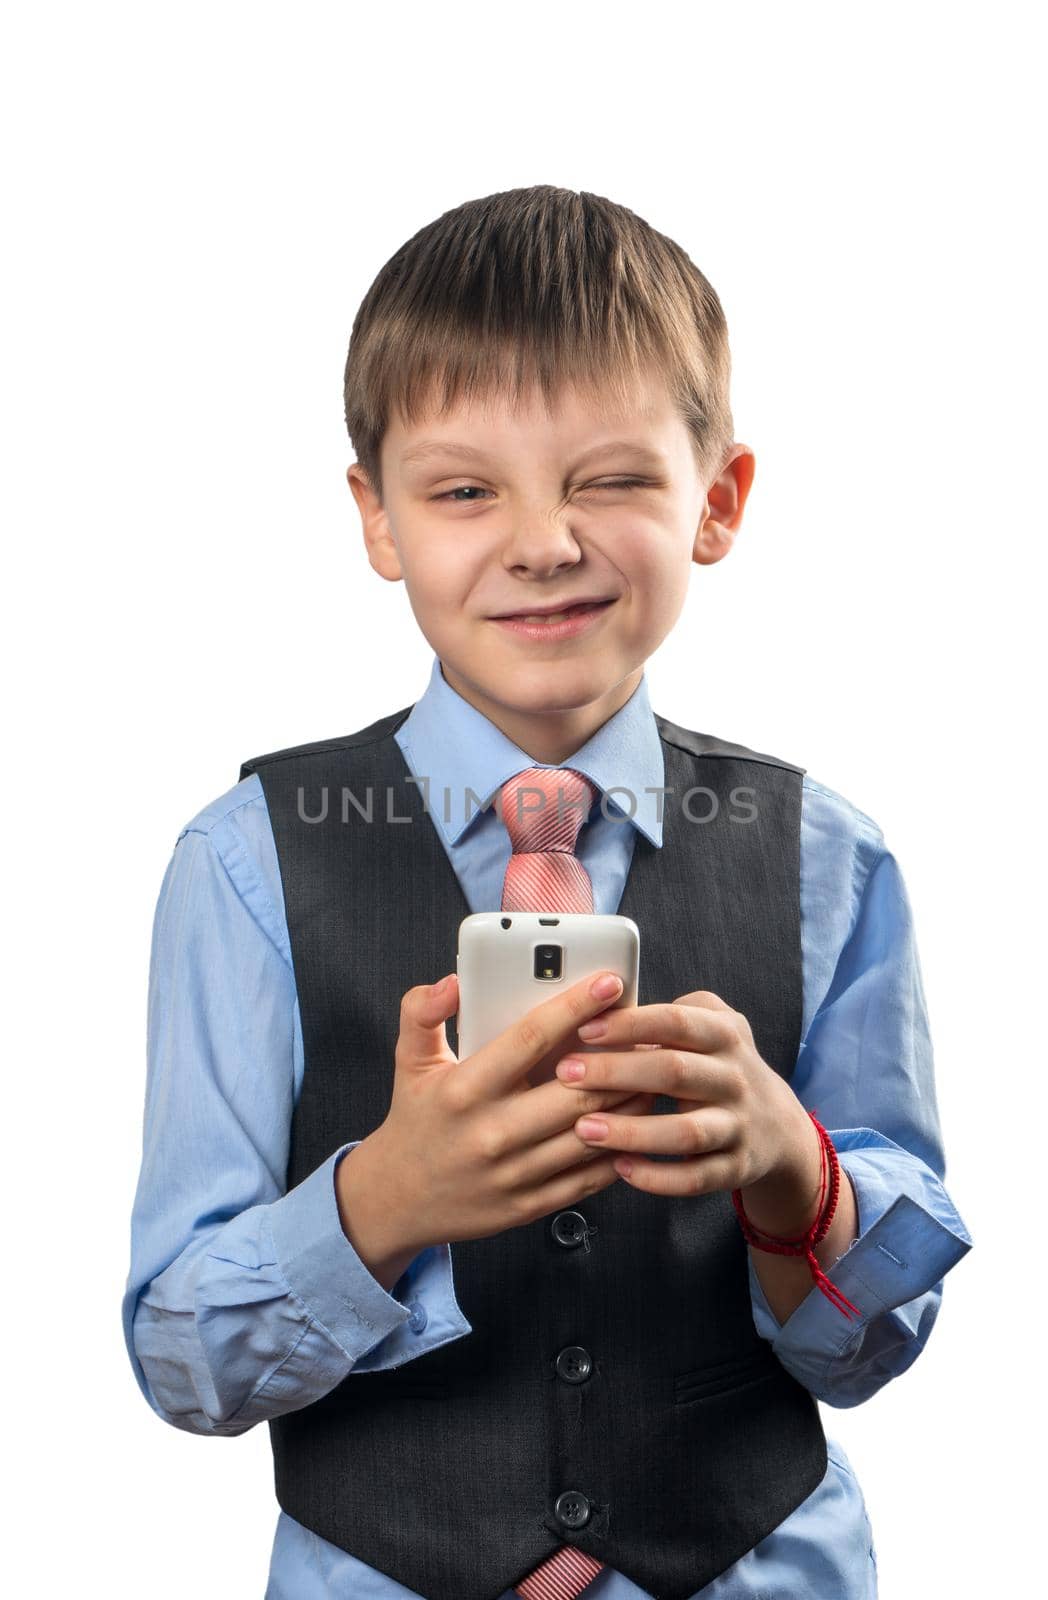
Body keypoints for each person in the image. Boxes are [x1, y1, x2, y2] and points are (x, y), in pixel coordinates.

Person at [122, 184, 972, 1600]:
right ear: (378, 518)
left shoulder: (831, 858)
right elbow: (181, 1356)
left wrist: (792, 1168)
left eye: (611, 479)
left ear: (717, 499)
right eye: (465, 489)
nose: (541, 542)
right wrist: (380, 1202)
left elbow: (869, 1348)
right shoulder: (247, 862)